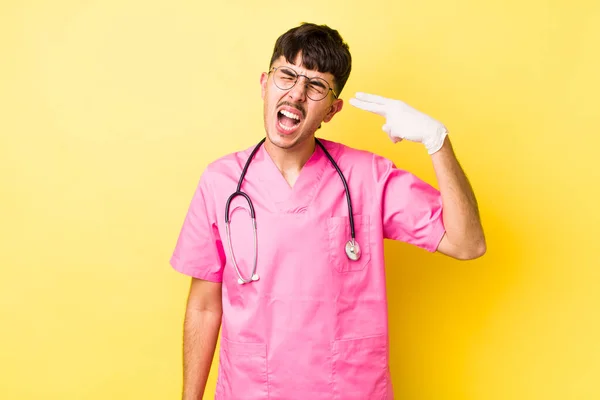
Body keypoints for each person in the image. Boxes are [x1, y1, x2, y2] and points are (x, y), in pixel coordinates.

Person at [170, 22, 486, 400]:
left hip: (348, 390)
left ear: (332, 110)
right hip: (252, 389)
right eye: (286, 75)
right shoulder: (221, 182)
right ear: (264, 84)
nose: (296, 94)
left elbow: (468, 243)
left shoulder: (369, 177)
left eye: (316, 86)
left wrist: (437, 142)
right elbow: (205, 307)